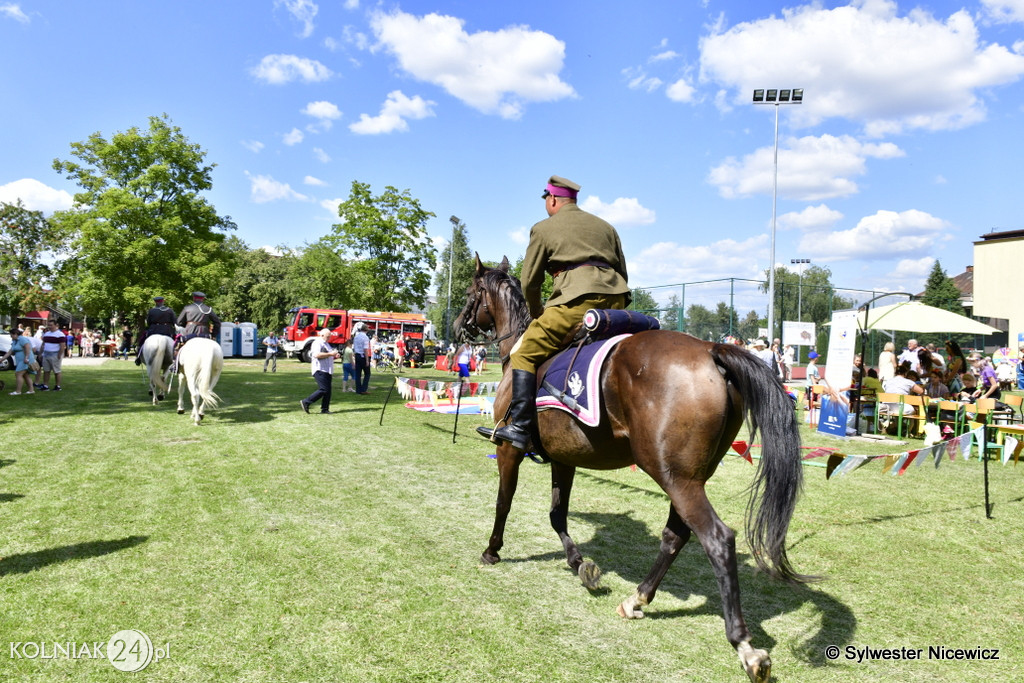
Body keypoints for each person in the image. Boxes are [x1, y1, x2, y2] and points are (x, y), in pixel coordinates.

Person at [493, 175, 630, 452]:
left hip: (576, 301)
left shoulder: (543, 228)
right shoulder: (607, 227)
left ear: (552, 199)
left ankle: (520, 427)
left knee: (524, 352)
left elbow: (530, 281)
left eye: (546, 201)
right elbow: (623, 272)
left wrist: (537, 313)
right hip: (616, 302)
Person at [300, 328, 340, 414]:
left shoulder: (326, 344)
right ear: (321, 335)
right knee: (324, 389)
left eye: (329, 337)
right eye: (327, 337)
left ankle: (325, 409)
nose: (329, 338)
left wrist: (335, 355)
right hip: (319, 369)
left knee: (328, 391)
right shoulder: (317, 343)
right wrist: (330, 354)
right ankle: (306, 402)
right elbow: (316, 355)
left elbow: (328, 355)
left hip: (327, 369)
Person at [135, 295, 178, 365]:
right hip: (167, 331)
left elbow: (148, 322)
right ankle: (176, 358)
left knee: (142, 341)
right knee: (177, 342)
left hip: (153, 330)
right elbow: (174, 321)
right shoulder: (169, 310)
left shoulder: (152, 311)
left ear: (155, 302)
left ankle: (138, 357)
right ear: (163, 301)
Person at [1, 327, 36, 395]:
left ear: (16, 334)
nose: (11, 337)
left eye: (11, 335)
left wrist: (26, 358)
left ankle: (18, 391)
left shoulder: (22, 339)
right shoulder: (14, 341)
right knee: (25, 375)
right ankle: (31, 390)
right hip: (20, 360)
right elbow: (10, 352)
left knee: (18, 374)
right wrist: (2, 359)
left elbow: (28, 348)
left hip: (25, 360)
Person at [38, 319, 66, 391]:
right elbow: (43, 344)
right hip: (46, 354)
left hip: (55, 354)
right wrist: (41, 353)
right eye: (48, 325)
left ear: (56, 325)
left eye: (51, 325)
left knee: (56, 371)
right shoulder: (46, 334)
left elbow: (62, 346)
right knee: (46, 370)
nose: (49, 327)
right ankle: (45, 385)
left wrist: (60, 354)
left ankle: (57, 386)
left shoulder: (60, 334)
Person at [353, 322, 371, 394]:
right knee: (367, 373)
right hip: (363, 356)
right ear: (366, 330)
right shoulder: (365, 337)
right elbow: (365, 349)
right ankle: (363, 389)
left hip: (357, 355)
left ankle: (358, 390)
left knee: (358, 374)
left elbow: (354, 348)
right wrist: (367, 360)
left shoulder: (356, 336)